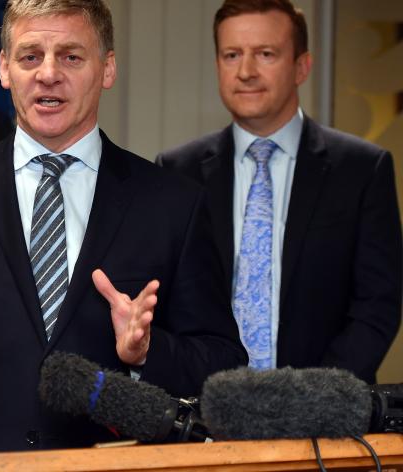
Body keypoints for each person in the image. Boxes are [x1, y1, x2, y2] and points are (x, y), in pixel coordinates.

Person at [0, 0, 247, 458]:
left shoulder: (172, 202)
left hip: (121, 461)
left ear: (106, 69)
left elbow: (222, 363)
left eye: (70, 56)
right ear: (5, 69)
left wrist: (147, 352)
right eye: (30, 56)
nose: (48, 73)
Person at [157, 0, 401, 383]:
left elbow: (377, 306)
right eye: (232, 54)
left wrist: (313, 398)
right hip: (202, 417)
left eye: (265, 54)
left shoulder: (362, 169)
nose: (246, 71)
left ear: (301, 66)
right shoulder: (177, 171)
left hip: (324, 418)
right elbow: (169, 307)